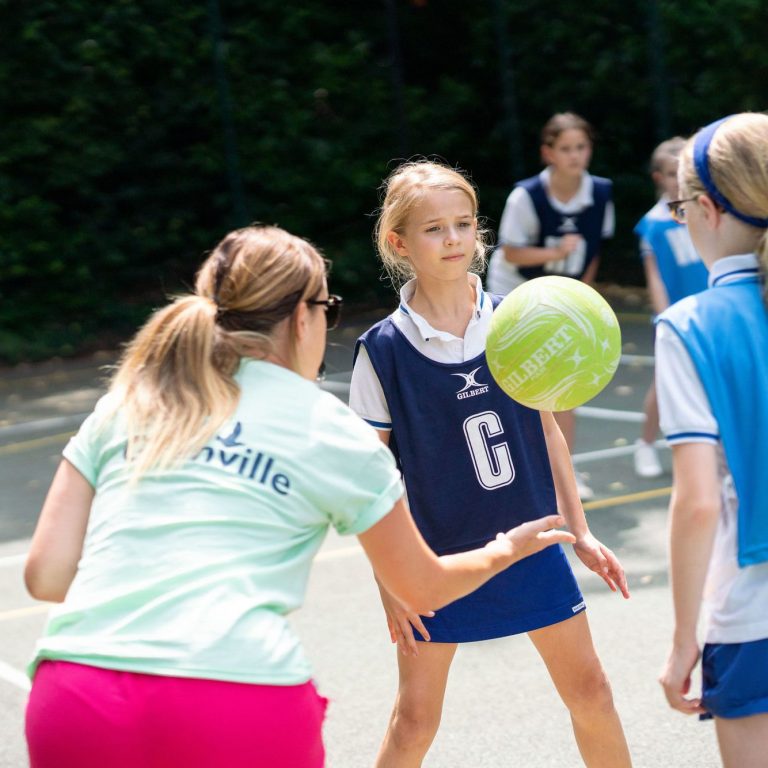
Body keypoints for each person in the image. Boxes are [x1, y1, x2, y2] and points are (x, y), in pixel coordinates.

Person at [22, 225, 576, 768]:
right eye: (327, 309)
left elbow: (45, 575)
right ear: (301, 318)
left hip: (74, 692)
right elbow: (423, 586)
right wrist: (507, 548)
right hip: (235, 690)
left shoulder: (132, 400)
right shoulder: (327, 429)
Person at [350, 160, 632, 767]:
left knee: (592, 692)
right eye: (433, 229)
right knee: (414, 721)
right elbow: (368, 484)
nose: (453, 239)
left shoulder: (517, 320)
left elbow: (548, 432)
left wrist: (578, 531)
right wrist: (391, 584)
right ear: (399, 242)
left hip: (530, 544)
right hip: (436, 563)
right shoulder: (383, 351)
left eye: (463, 223)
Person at [655, 113, 768, 768]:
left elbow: (698, 503)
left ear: (704, 208)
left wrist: (680, 642)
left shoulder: (692, 325)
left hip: (753, 613)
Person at [485, 112, 615, 500]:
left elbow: (594, 251)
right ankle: (515, 474)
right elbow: (510, 251)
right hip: (516, 294)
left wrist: (582, 298)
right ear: (548, 153)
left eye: (581, 147)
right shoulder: (526, 196)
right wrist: (555, 251)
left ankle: (564, 479)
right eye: (566, 148)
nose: (575, 155)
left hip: (562, 297)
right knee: (513, 383)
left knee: (565, 381)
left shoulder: (601, 193)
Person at [633, 137, 709, 479]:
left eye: (682, 171)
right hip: (677, 314)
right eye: (670, 173)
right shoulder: (654, 223)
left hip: (709, 309)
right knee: (664, 383)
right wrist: (664, 315)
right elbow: (655, 277)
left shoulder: (702, 208)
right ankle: (645, 444)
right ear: (658, 177)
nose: (677, 179)